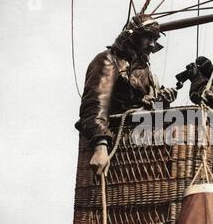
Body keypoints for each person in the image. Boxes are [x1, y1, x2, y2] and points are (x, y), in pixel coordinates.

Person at [75, 14, 177, 175]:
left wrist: (161, 102)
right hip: (117, 144)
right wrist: (100, 145)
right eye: (147, 38)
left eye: (155, 38)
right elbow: (94, 105)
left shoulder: (144, 70)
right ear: (133, 37)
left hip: (142, 147)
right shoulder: (108, 60)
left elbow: (144, 108)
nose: (152, 45)